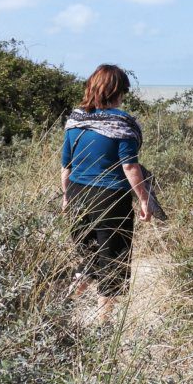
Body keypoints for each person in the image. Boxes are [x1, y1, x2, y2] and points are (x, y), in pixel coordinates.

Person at [61, 64, 151, 322]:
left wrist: (67, 197)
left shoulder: (75, 121)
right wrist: (144, 200)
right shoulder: (122, 124)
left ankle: (64, 306)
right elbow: (130, 166)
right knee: (112, 261)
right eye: (123, 90)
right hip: (110, 199)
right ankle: (103, 324)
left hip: (78, 194)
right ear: (117, 91)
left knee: (89, 257)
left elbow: (66, 166)